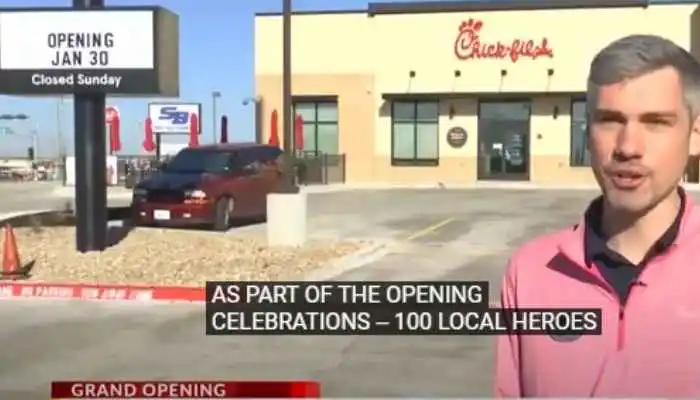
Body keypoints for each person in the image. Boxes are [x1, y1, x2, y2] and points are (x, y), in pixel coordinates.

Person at [495, 34, 700, 397]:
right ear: (587, 130)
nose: (628, 147)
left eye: (656, 122)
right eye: (609, 120)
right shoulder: (529, 273)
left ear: (695, 134)